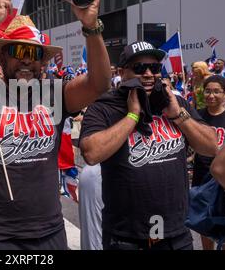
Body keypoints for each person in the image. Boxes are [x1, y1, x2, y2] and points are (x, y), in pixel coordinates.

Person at [0, 0, 111, 250]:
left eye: (33, 54)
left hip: (49, 231)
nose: (26, 60)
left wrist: (92, 27)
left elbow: (99, 84)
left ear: (42, 62)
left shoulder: (54, 94)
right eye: (18, 52)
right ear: (2, 57)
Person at [80, 42, 218, 250]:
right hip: (127, 238)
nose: (148, 74)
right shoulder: (104, 107)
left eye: (154, 68)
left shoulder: (174, 103)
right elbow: (91, 153)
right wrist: (132, 116)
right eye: (139, 68)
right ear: (121, 72)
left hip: (176, 235)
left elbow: (211, 146)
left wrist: (179, 116)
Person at [191, 75, 225, 249]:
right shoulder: (197, 116)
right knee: (203, 223)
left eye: (217, 91)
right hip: (201, 178)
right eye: (208, 91)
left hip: (222, 182)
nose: (211, 95)